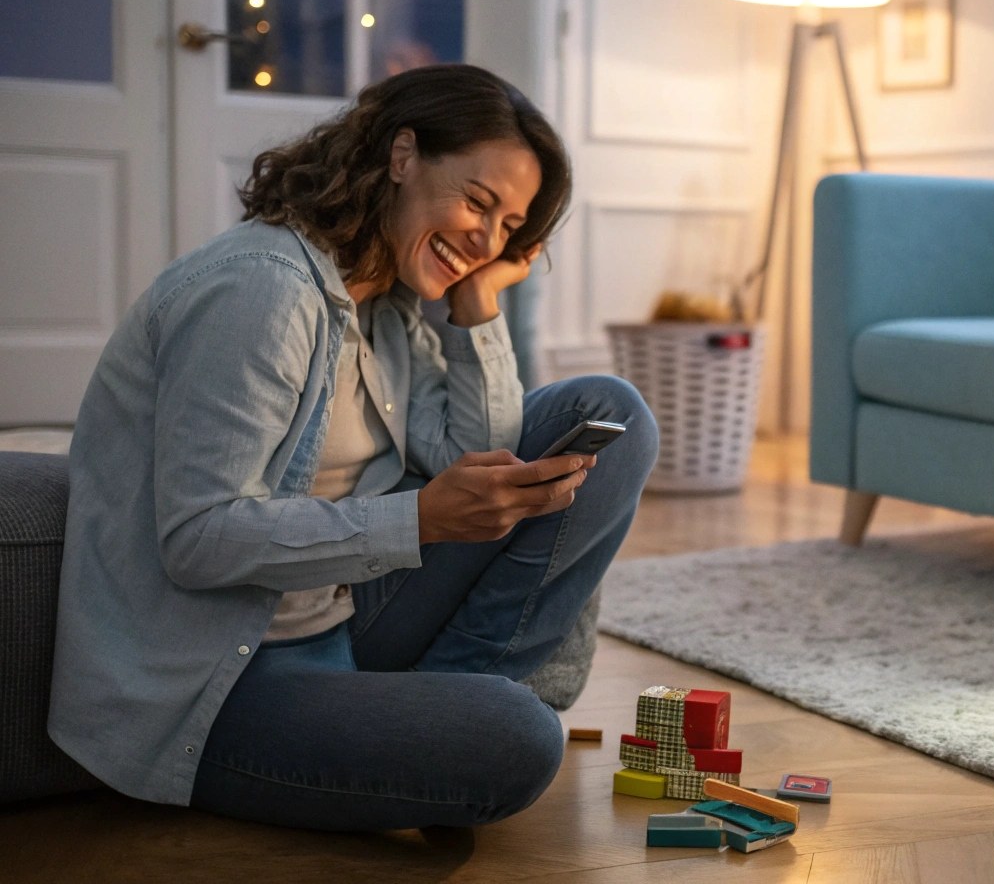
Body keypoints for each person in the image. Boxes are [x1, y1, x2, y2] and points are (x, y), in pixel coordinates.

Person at [48, 64, 659, 831]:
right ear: (401, 155)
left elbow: (484, 450)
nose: (487, 237)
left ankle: (447, 696)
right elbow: (196, 542)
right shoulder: (261, 290)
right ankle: (455, 710)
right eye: (478, 202)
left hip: (338, 617)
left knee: (611, 414)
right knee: (516, 739)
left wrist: (476, 296)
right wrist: (420, 521)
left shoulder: (387, 305)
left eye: (508, 226)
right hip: (217, 680)